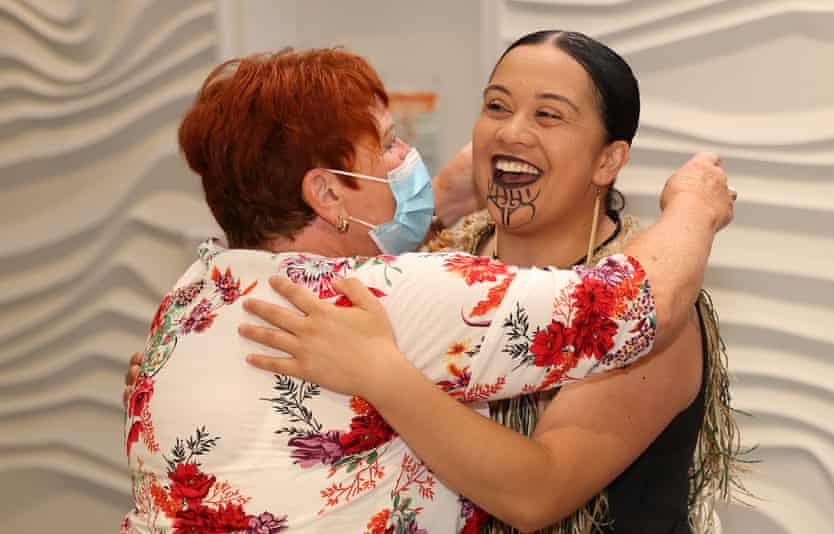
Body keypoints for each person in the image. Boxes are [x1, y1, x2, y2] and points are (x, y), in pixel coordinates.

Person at [121, 48, 734, 533]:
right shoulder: (403, 294)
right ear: (327, 193)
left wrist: (432, 199)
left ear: (610, 159)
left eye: (547, 115)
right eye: (387, 143)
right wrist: (692, 208)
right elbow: (635, 304)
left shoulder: (193, 296)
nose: (511, 133)